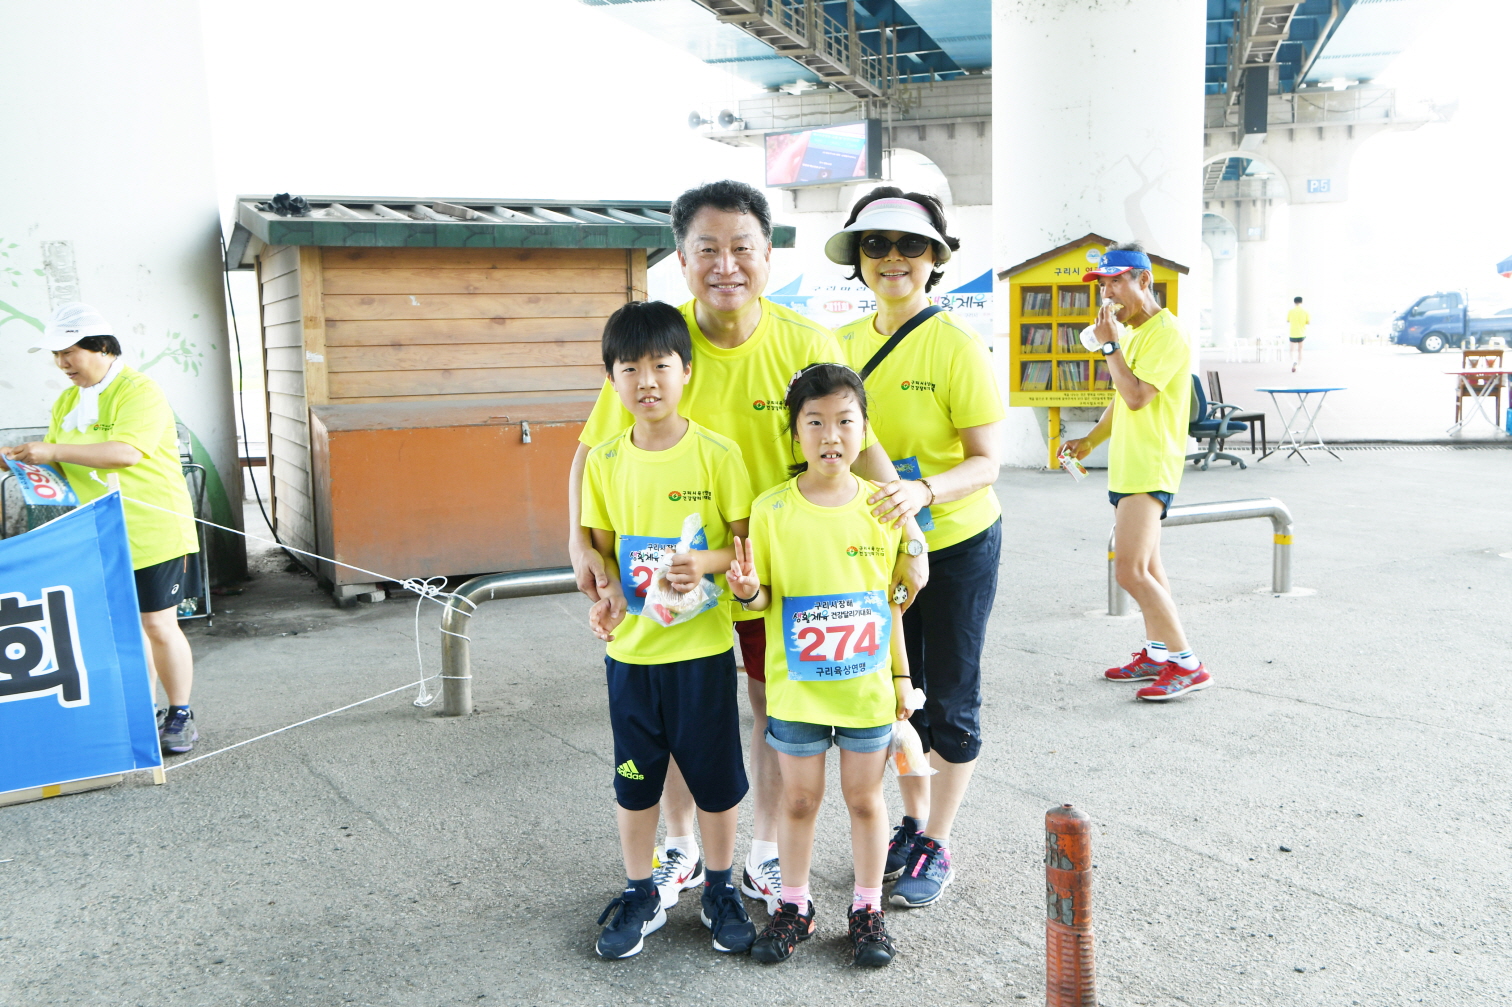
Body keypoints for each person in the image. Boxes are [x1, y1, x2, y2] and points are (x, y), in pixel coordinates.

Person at [566, 180, 927, 916]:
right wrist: (581, 543)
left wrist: (909, 521)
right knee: (670, 710)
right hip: (675, 571)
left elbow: (857, 435)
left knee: (769, 700)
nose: (725, 264)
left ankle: (763, 849)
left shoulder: (804, 341)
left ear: (767, 254)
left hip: (779, 567)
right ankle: (678, 845)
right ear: (681, 257)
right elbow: (590, 450)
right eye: (708, 249)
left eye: (742, 248)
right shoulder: (658, 346)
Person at [827, 188, 1005, 909]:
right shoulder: (837, 343)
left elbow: (987, 460)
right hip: (881, 551)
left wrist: (925, 491)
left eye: (909, 245)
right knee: (901, 698)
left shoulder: (955, 344)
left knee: (952, 702)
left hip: (957, 542)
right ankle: (911, 822)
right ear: (858, 260)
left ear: (935, 258)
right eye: (875, 245)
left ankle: (937, 838)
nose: (892, 258)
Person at [580, 300, 758, 959]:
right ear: (613, 380)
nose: (647, 380)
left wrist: (703, 562)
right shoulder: (603, 461)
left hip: (703, 651)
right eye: (630, 368)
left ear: (686, 371)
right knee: (634, 778)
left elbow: (744, 543)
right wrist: (604, 594)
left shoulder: (718, 454)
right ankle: (639, 890)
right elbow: (601, 550)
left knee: (714, 776)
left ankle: (719, 886)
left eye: (661, 364)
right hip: (630, 658)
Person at [727, 363, 917, 968]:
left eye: (844, 421)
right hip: (797, 694)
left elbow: (893, 607)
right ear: (795, 434)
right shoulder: (770, 511)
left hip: (865, 692)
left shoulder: (883, 510)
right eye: (815, 422)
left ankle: (866, 910)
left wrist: (901, 680)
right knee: (800, 802)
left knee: (866, 801)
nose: (830, 435)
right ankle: (794, 906)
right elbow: (760, 603)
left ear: (864, 430)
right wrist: (748, 588)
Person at [3, 303, 202, 753]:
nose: (62, 364)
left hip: (153, 526)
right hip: (100, 531)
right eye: (55, 355)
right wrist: (19, 463)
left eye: (69, 352)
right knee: (125, 627)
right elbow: (60, 470)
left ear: (103, 348)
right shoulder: (67, 402)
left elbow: (126, 453)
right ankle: (140, 709)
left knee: (157, 623)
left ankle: (181, 714)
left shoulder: (139, 390)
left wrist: (51, 451)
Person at [1060, 244, 1210, 701]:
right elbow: (1121, 399)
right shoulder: (1136, 333)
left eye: (1117, 282)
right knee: (1148, 567)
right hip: (1131, 464)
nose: (1108, 293)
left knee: (1128, 571)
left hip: (1150, 465)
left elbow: (1138, 396)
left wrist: (1108, 346)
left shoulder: (1167, 333)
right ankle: (1158, 652)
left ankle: (1188, 664)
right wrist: (1090, 441)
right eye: (1103, 284)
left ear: (1145, 281)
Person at [1287, 296, 1310, 372]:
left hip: (1293, 333)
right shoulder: (1305, 311)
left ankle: (1294, 362)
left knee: (1292, 350)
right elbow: (1308, 322)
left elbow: (1288, 320)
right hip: (1302, 333)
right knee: (1300, 350)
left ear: (1294, 302)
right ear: (1302, 302)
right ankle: (1299, 365)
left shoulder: (1291, 311)